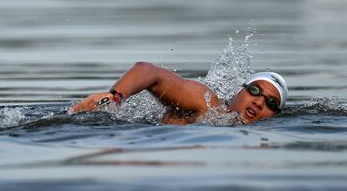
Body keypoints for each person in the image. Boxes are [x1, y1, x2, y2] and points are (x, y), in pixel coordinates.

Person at [69, 62, 288, 125]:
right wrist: (115, 99)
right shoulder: (207, 103)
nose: (259, 102)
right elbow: (147, 71)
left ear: (275, 116)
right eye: (254, 91)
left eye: (271, 103)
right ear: (240, 90)